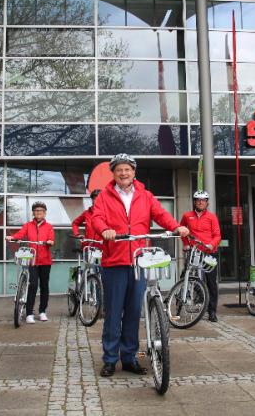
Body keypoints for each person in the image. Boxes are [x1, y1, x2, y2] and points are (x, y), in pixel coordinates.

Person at [91, 153, 189, 377]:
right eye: (119, 170)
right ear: (113, 173)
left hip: (138, 261)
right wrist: (104, 230)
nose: (123, 173)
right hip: (114, 260)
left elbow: (161, 214)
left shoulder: (145, 195)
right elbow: (96, 218)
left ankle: (129, 357)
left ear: (134, 172)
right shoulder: (105, 197)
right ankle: (110, 359)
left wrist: (176, 227)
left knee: (134, 312)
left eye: (127, 169)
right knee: (114, 312)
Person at [6, 201, 55, 324]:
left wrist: (49, 241)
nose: (39, 213)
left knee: (44, 286)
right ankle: (29, 313)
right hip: (32, 260)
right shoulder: (28, 225)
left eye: (41, 211)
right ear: (33, 212)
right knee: (33, 284)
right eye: (36, 210)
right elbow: (20, 234)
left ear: (45, 213)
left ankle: (43, 311)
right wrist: (13, 237)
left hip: (45, 260)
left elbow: (51, 238)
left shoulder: (49, 226)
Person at [179, 190, 222, 322]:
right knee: (185, 277)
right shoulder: (187, 216)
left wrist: (211, 244)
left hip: (209, 252)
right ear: (194, 202)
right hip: (193, 252)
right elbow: (182, 230)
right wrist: (186, 244)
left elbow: (217, 235)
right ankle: (180, 305)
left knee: (211, 282)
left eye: (203, 200)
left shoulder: (212, 217)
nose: (201, 202)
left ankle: (212, 311)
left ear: (207, 202)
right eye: (198, 200)